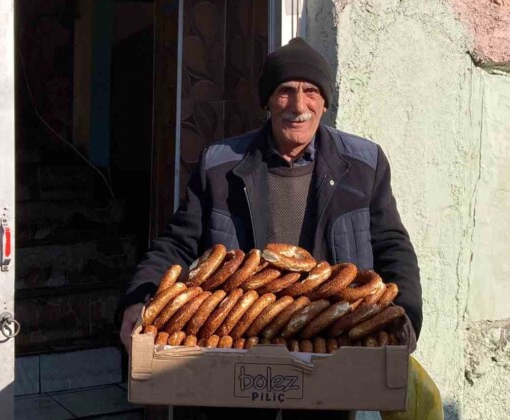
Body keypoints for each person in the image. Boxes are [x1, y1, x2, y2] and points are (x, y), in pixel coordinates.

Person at [118, 38, 422, 419]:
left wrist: (407, 314)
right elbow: (179, 244)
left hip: (328, 359)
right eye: (285, 92)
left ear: (325, 101)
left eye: (311, 91)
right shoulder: (220, 166)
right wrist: (138, 298)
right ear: (266, 101)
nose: (298, 106)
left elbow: (392, 244)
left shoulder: (364, 165)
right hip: (237, 361)